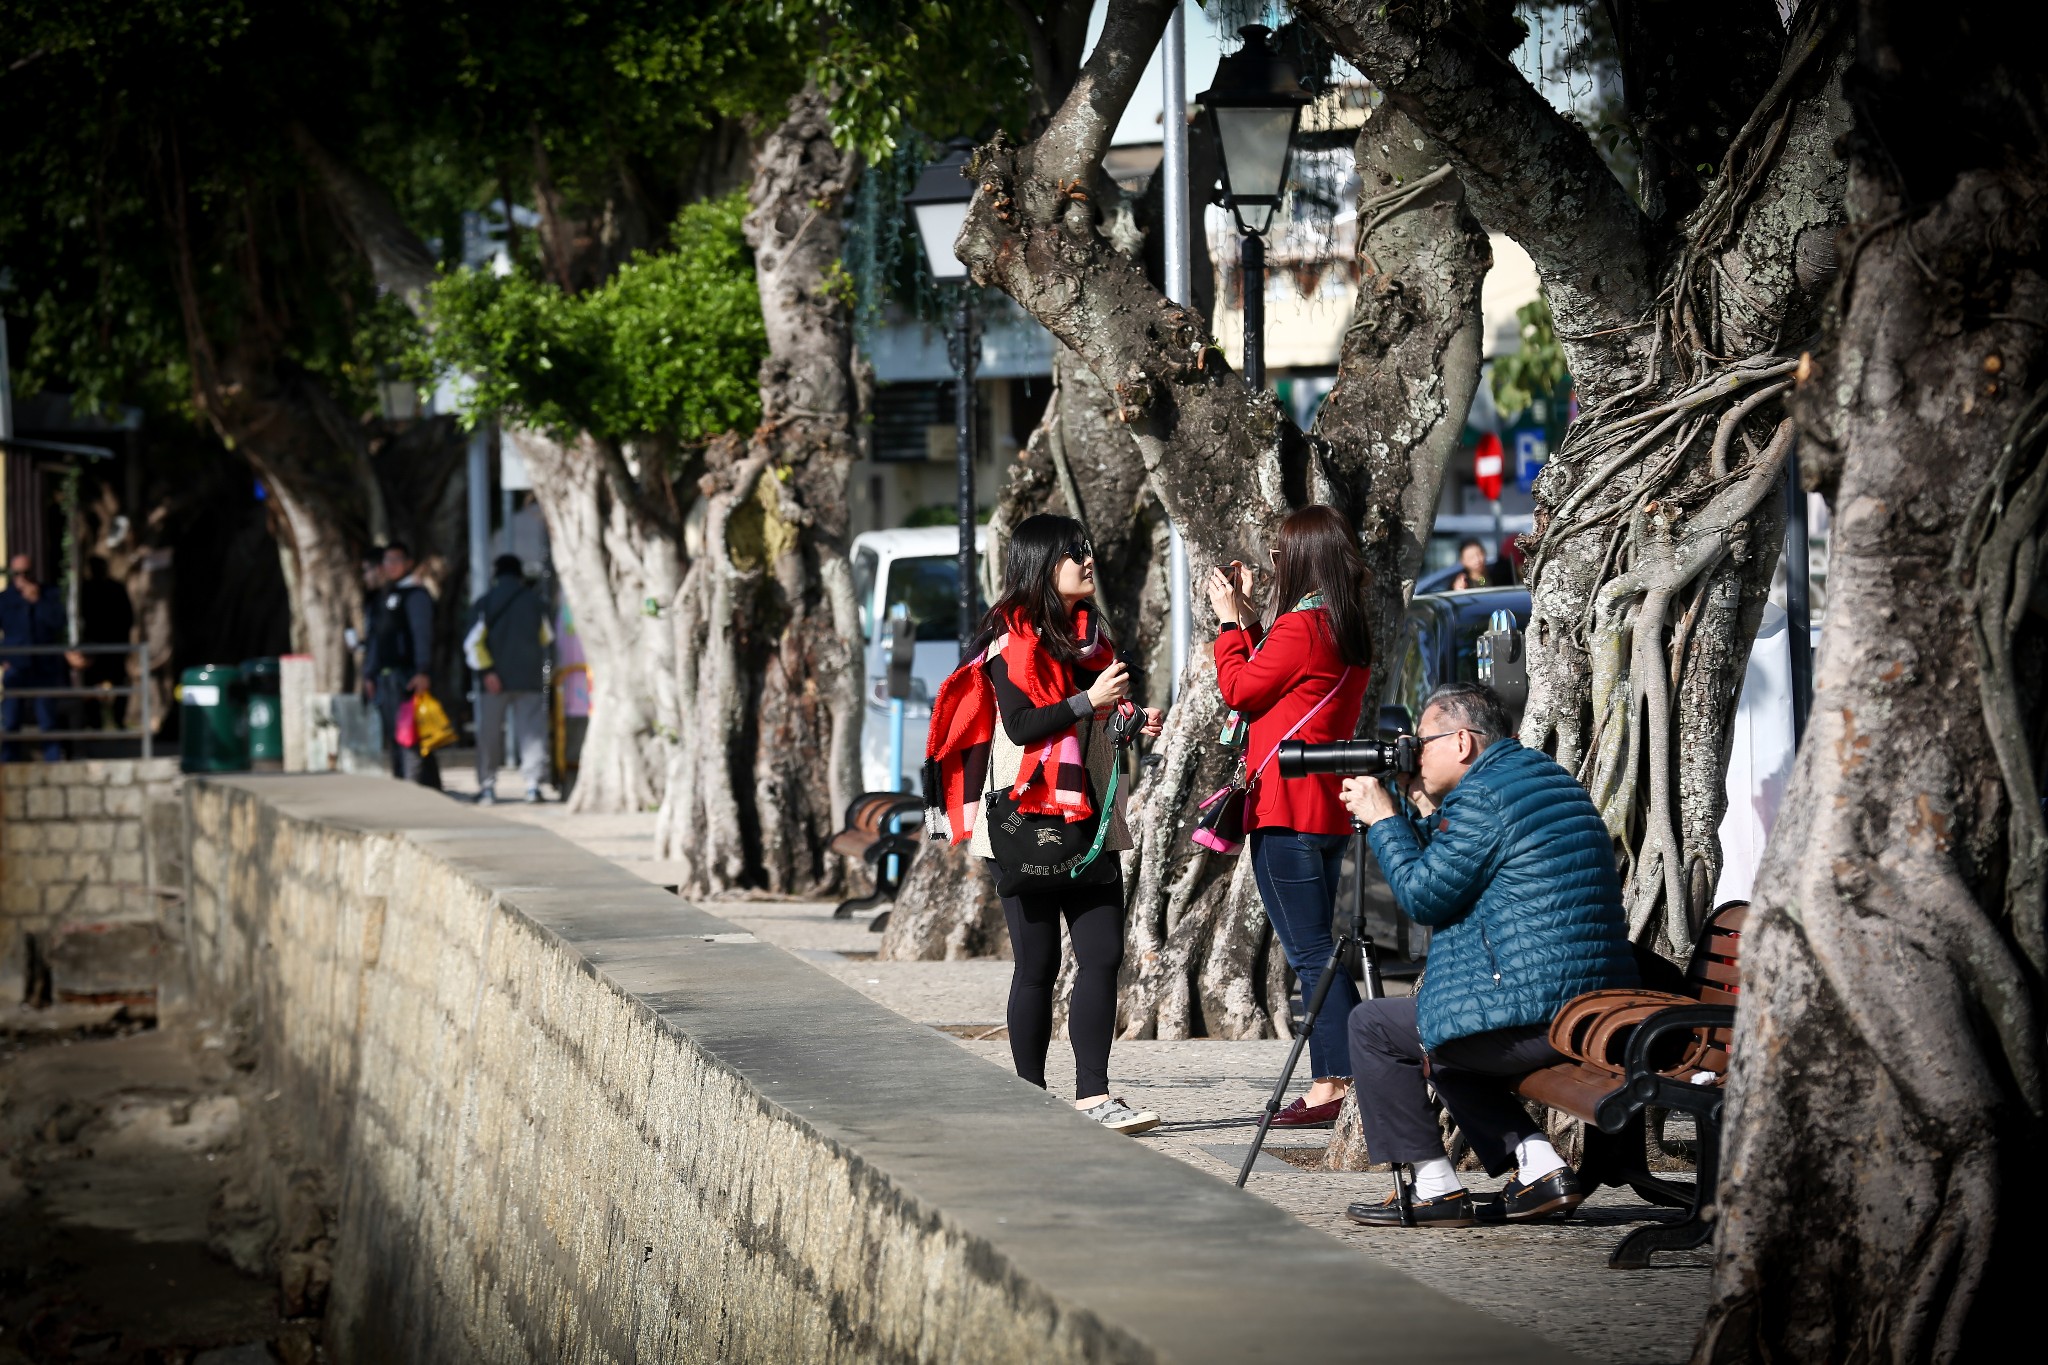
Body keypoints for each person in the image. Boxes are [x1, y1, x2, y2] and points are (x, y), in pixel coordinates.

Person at [1338, 681, 1638, 1226]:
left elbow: (1425, 895)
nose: (1413, 752)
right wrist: (1422, 808)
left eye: (1421, 742)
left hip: (1543, 1015)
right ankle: (1538, 1168)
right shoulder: (1539, 780)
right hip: (1588, 1005)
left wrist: (1383, 820)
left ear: (1460, 742)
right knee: (1444, 1025)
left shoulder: (1484, 796)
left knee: (1377, 1026)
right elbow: (1464, 865)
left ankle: (1434, 1187)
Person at [925, 514, 1165, 1134]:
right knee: (1037, 967)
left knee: (1104, 954)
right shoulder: (1011, 648)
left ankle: (1094, 1095)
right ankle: (1029, 1094)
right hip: (1025, 822)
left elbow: (1092, 729)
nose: (1088, 561)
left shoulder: (1094, 647)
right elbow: (1024, 726)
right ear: (1041, 566)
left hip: (1091, 825)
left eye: (1087, 550)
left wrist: (1131, 722)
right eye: (1073, 554)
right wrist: (1091, 701)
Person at [1204, 505, 1376, 1127]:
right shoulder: (1344, 625)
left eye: (1280, 555)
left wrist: (1229, 625)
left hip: (1284, 809)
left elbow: (1241, 692)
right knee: (1319, 950)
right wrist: (1251, 623)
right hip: (1323, 809)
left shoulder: (1303, 628)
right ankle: (1343, 1078)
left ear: (1302, 559)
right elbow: (1281, 686)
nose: (1274, 563)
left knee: (1311, 955)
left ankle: (1337, 1085)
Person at [464, 554, 551, 804]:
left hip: (493, 683)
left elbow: (472, 644)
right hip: (530, 679)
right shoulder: (536, 603)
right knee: (532, 733)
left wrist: (487, 672)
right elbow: (547, 639)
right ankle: (533, 785)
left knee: (489, 735)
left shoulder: (485, 603)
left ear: (496, 574)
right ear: (520, 575)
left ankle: (488, 787)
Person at [360, 540, 441, 789]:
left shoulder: (416, 595)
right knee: (396, 737)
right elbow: (376, 640)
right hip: (385, 679)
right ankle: (407, 785)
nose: (391, 566)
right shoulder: (383, 597)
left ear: (408, 563)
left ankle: (417, 788)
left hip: (407, 676)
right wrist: (369, 674)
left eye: (396, 560)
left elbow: (422, 634)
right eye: (387, 561)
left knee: (411, 737)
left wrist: (422, 670)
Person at [1, 565, 78, 762]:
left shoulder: (49, 595)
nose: (22, 578)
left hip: (43, 667)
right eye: (17, 574)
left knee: (47, 718)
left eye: (26, 573)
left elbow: (59, 623)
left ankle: (52, 761)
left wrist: (37, 601)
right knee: (11, 720)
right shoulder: (5, 599)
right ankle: (8, 762)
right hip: (16, 666)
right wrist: (3, 660)